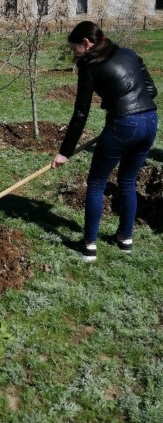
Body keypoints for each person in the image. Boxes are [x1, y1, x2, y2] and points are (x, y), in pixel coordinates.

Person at [51, 20, 158, 261]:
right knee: (128, 181)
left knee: (97, 183)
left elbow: (80, 113)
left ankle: (89, 245)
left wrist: (65, 152)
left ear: (86, 44)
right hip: (150, 122)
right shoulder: (130, 53)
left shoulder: (89, 66)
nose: (73, 53)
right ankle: (125, 239)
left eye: (74, 48)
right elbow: (151, 91)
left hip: (123, 125)